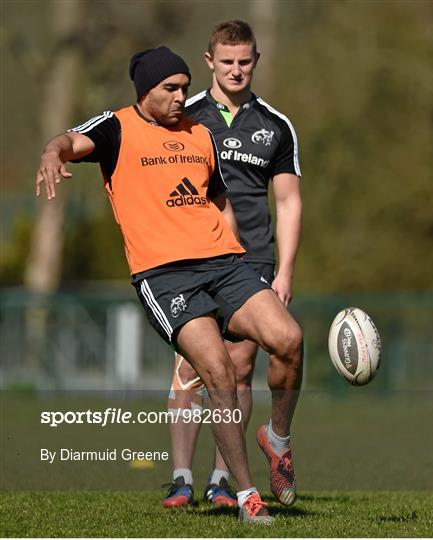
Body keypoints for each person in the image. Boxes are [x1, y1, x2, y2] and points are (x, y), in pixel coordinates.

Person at [35, 46, 303, 525]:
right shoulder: (116, 128)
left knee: (289, 339)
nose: (182, 96)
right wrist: (51, 153)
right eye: (171, 89)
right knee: (218, 372)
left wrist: (236, 249)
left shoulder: (200, 133)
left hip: (225, 264)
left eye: (184, 87)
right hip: (165, 275)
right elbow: (68, 141)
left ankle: (277, 439)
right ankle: (246, 497)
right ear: (146, 91)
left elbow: (218, 199)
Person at [163, 20, 302, 510]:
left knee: (239, 369)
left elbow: (287, 202)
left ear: (256, 61)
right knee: (193, 366)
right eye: (227, 61)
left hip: (253, 261)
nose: (236, 69)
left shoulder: (276, 126)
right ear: (209, 62)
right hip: (192, 255)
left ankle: (223, 481)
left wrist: (284, 270)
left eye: (244, 61)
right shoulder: (185, 116)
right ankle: (180, 479)